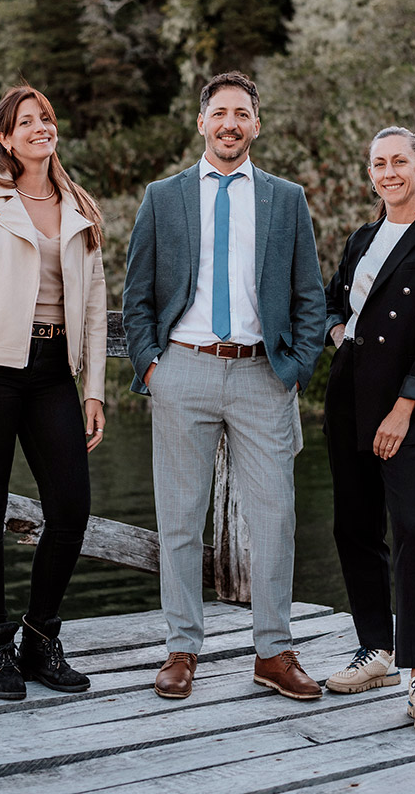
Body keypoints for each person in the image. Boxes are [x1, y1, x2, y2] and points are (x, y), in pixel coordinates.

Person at [123, 71, 325, 700]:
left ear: (256, 124)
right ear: (202, 121)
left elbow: (310, 296)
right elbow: (136, 295)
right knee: (181, 519)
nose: (230, 124)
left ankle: (273, 653)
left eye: (241, 113)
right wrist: (152, 367)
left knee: (276, 518)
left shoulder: (287, 199)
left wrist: (294, 370)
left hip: (264, 374)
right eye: (220, 113)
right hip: (182, 370)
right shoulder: (163, 197)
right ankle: (182, 648)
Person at [0, 84, 107, 701]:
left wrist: (94, 390)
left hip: (54, 372)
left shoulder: (78, 204)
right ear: (5, 137)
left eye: (46, 118)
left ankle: (40, 636)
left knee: (71, 507)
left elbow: (96, 304)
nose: (40, 127)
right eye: (26, 121)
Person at [323, 126, 415, 731]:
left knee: (411, 529)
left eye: (399, 162)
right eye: (379, 164)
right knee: (355, 528)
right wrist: (338, 334)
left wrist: (404, 408)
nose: (389, 172)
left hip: (408, 408)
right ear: (370, 174)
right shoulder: (360, 238)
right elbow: (333, 303)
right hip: (349, 399)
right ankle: (376, 650)